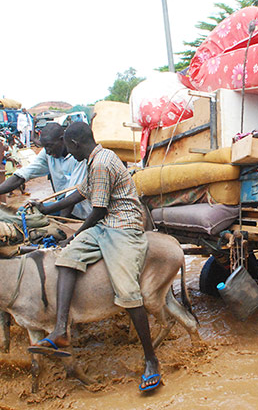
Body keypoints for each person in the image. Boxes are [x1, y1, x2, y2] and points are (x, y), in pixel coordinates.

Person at [26, 122, 161, 392]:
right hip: (104, 224)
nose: (68, 152)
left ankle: (151, 360)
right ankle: (61, 331)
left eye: (68, 147)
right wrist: (46, 208)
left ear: (75, 143)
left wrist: (76, 234)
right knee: (66, 259)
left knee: (127, 291)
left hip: (123, 226)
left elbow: (97, 210)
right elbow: (80, 193)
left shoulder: (101, 163)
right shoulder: (93, 159)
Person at [0, 123, 91, 219]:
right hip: (60, 206)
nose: (47, 151)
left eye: (50, 146)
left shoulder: (79, 157)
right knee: (23, 212)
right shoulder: (48, 154)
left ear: (62, 139)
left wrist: (61, 223)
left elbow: (72, 197)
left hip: (82, 212)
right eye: (45, 147)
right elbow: (23, 175)